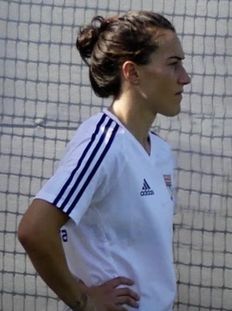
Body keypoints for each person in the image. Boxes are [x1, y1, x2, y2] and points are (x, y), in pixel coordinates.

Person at [18, 10, 191, 311]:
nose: (185, 78)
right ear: (132, 73)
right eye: (173, 64)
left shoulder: (160, 151)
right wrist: (84, 301)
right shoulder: (102, 144)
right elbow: (34, 229)